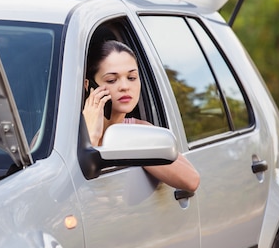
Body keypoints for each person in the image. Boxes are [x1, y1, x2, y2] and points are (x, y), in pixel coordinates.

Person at [82, 40, 200, 193]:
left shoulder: (139, 130)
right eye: (112, 80)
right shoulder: (59, 134)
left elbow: (191, 180)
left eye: (131, 77)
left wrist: (128, 141)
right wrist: (91, 136)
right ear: (88, 85)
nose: (125, 86)